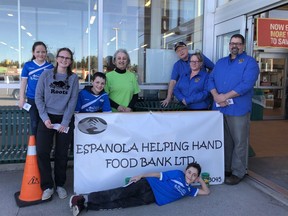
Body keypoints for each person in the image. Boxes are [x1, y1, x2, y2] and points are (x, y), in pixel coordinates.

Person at [207, 34, 260, 185]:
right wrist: (216, 96)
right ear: (229, 45)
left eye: (238, 43)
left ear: (243, 46)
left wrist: (225, 97)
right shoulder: (221, 62)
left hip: (238, 109)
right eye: (232, 43)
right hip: (220, 109)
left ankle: (238, 172)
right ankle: (227, 169)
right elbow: (210, 80)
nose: (234, 46)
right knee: (225, 141)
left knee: (239, 142)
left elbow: (246, 84)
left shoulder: (250, 63)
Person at [69, 162, 210, 216]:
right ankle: (82, 198)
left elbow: (206, 191)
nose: (190, 176)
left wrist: (200, 180)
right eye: (190, 172)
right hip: (147, 184)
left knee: (121, 204)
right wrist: (140, 176)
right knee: (117, 194)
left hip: (151, 198)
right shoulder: (178, 174)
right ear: (185, 171)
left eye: (194, 175)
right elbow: (158, 174)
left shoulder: (189, 190)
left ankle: (85, 206)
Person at [35, 47, 79, 200]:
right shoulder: (46, 75)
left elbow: (73, 101)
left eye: (68, 58)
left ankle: (60, 185)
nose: (64, 60)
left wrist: (65, 122)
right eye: (62, 57)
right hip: (46, 118)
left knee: (61, 154)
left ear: (71, 61)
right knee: (42, 152)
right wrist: (44, 117)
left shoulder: (73, 78)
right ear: (57, 58)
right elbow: (38, 97)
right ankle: (47, 186)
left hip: (64, 119)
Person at [161, 42, 214, 107]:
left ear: (187, 48)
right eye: (178, 51)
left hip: (200, 104)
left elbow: (214, 68)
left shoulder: (199, 57)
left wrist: (207, 77)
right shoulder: (177, 65)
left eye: (182, 49)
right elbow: (173, 82)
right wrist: (168, 98)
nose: (181, 52)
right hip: (185, 104)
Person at [18, 41, 54, 135]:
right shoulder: (28, 65)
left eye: (43, 52)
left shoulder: (50, 67)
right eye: (38, 52)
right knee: (34, 123)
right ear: (33, 53)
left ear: (46, 53)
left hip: (45, 100)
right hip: (32, 99)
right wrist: (22, 98)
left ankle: (43, 145)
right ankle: (34, 146)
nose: (40, 54)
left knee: (45, 122)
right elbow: (23, 82)